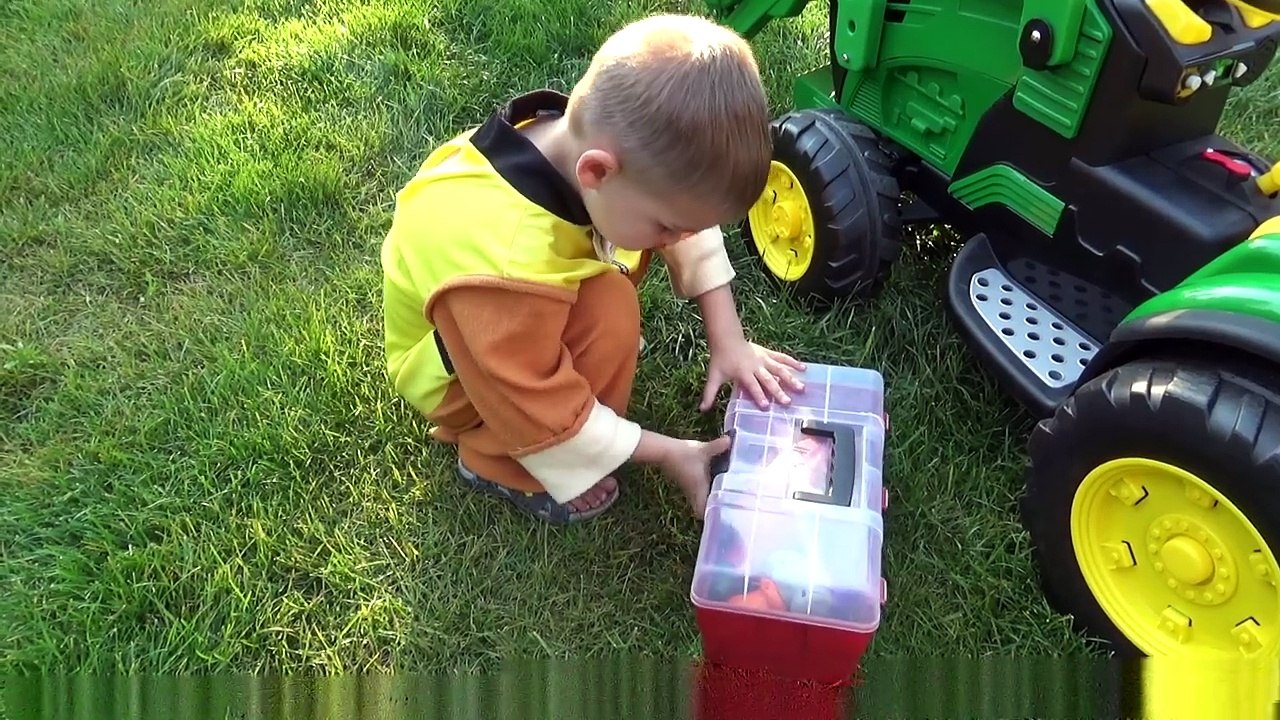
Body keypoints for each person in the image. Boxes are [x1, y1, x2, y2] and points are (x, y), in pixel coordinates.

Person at [380, 13, 806, 525]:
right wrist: (670, 451)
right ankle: (497, 460)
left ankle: (571, 365)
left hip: (510, 319)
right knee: (609, 310)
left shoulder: (589, 146)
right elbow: (531, 399)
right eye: (669, 228)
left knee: (614, 287)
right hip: (467, 377)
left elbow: (685, 215)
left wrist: (728, 338)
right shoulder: (505, 265)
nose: (678, 240)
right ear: (597, 172)